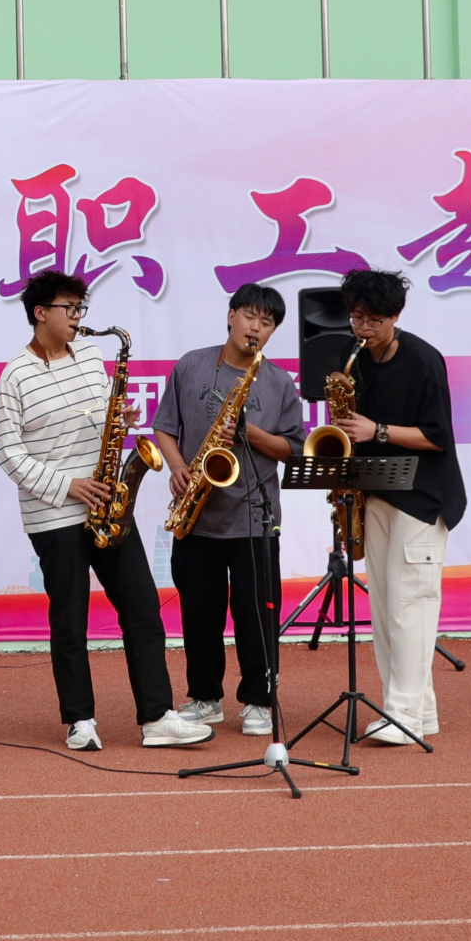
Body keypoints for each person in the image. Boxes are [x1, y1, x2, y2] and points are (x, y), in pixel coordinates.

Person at [0, 271, 212, 752]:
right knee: (70, 620)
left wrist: (120, 420)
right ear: (40, 313)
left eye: (80, 309)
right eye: (69, 309)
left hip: (110, 504)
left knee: (142, 608)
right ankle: (80, 720)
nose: (78, 318)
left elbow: (101, 421)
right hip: (55, 515)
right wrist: (67, 486)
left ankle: (157, 716)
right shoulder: (15, 376)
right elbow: (7, 452)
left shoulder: (92, 357)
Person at [152, 284, 305, 738]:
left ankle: (259, 700)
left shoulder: (279, 382)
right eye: (250, 316)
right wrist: (177, 467)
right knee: (199, 615)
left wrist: (249, 433)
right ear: (230, 315)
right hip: (196, 514)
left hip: (254, 517)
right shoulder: (191, 365)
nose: (256, 327)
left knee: (257, 616)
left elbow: (295, 449)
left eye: (267, 322)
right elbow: (164, 427)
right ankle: (205, 698)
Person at [333, 268, 465, 746]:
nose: (363, 328)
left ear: (395, 316)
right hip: (376, 492)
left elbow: (438, 436)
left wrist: (378, 431)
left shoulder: (423, 360)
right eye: (356, 318)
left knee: (411, 608)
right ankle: (416, 711)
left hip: (421, 500)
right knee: (387, 611)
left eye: (374, 320)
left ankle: (402, 715)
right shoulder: (357, 359)